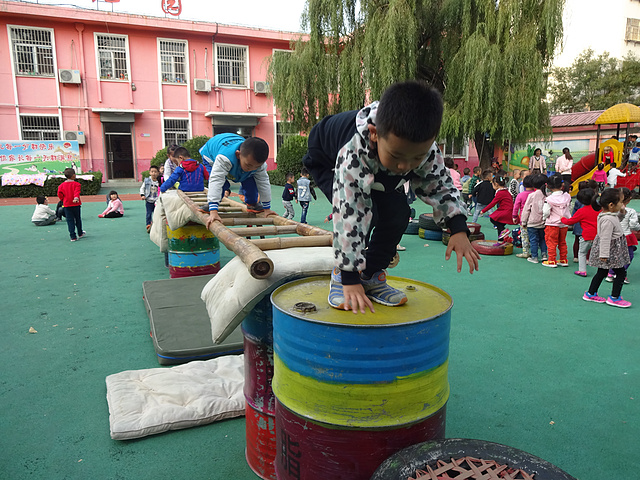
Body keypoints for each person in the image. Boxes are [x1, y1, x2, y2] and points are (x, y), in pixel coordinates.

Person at [301, 80, 480, 313]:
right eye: (397, 155)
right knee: (369, 213)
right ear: (375, 134)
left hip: (379, 168)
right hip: (326, 160)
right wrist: (349, 278)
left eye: (416, 158)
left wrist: (457, 228)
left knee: (399, 213)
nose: (405, 165)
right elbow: (350, 211)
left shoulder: (420, 148)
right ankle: (342, 274)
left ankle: (371, 274)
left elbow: (439, 184)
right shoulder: (355, 149)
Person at [202, 135, 274, 227]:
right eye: (249, 165)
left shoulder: (258, 164)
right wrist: (213, 211)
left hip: (234, 144)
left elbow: (263, 182)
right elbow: (216, 180)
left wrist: (267, 208)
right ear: (238, 155)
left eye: (256, 166)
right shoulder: (224, 158)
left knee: (251, 179)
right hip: (211, 153)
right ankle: (211, 204)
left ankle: (252, 203)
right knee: (221, 184)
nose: (251, 169)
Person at [582, 188, 631, 307]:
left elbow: (616, 220)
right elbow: (605, 238)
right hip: (611, 251)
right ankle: (614, 297)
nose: (622, 204)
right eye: (620, 202)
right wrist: (604, 254)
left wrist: (622, 212)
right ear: (611, 205)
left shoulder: (609, 215)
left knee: (602, 272)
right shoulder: (607, 219)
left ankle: (591, 293)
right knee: (620, 272)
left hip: (612, 250)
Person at [562, 188, 599, 277]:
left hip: (586, 236)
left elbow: (570, 221)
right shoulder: (599, 209)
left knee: (582, 253)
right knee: (601, 254)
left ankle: (582, 270)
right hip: (599, 236)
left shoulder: (581, 211)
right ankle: (607, 271)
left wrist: (562, 219)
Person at [606, 187, 640, 284]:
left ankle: (611, 272)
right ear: (629, 199)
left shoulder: (612, 209)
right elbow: (633, 225)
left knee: (616, 254)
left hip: (613, 235)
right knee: (629, 256)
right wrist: (638, 228)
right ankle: (620, 273)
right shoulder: (631, 211)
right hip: (626, 236)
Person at [541, 175, 571, 267]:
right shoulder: (567, 196)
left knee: (551, 242)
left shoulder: (549, 199)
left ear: (548, 186)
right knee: (562, 242)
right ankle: (563, 259)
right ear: (562, 185)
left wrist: (544, 218)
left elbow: (546, 212)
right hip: (564, 223)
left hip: (552, 223)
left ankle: (551, 260)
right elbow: (569, 207)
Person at [521, 173, 549, 264]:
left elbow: (526, 210)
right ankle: (544, 255)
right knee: (542, 239)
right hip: (544, 222)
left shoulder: (532, 196)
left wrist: (524, 221)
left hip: (532, 222)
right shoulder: (547, 195)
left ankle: (534, 257)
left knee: (533, 240)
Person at [480, 173, 514, 240]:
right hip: (508, 210)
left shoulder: (500, 193)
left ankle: (504, 231)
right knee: (500, 225)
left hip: (505, 211)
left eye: (492, 184)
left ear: (496, 184)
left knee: (493, 219)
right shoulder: (505, 191)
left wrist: (483, 210)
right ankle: (501, 239)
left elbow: (492, 203)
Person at [57, 167, 85, 242]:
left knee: (70, 221)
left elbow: (59, 194)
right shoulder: (77, 184)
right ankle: (80, 233)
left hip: (67, 205)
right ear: (73, 175)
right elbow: (77, 192)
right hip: (76, 205)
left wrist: (63, 200)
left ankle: (73, 236)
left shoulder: (61, 185)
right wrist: (76, 198)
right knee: (78, 219)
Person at [512, 174, 534, 258]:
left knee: (524, 236)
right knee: (533, 236)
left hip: (523, 218)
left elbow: (516, 207)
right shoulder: (535, 194)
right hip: (534, 218)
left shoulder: (520, 195)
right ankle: (534, 252)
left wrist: (514, 216)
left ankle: (525, 252)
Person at [140, 165, 161, 232]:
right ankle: (148, 224)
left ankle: (156, 224)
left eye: (155, 172)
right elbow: (142, 188)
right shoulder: (147, 180)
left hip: (157, 200)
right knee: (148, 213)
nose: (153, 173)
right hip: (149, 200)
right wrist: (142, 195)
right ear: (149, 172)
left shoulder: (160, 180)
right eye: (152, 172)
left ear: (158, 173)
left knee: (157, 213)